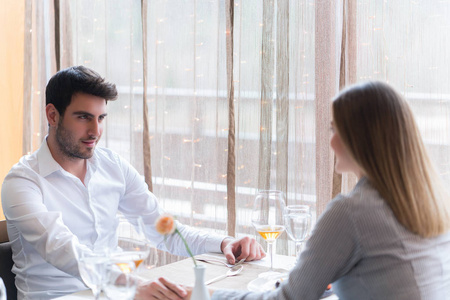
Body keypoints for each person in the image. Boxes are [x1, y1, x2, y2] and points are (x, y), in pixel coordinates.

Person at [1, 66, 265, 300]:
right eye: (83, 117)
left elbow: (162, 228)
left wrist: (223, 243)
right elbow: (62, 249)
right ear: (53, 115)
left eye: (101, 117)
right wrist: (131, 285)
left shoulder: (112, 166)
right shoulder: (21, 182)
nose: (95, 131)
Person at [200, 81, 450, 300]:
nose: (331, 141)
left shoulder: (351, 212)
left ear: (363, 138)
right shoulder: (431, 202)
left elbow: (289, 299)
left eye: (336, 130)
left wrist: (200, 295)